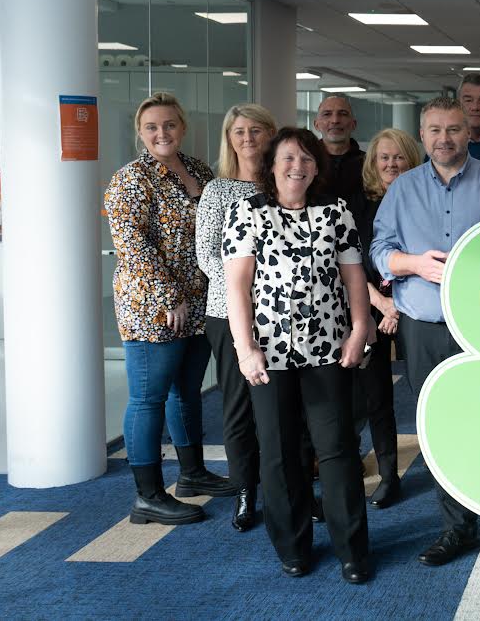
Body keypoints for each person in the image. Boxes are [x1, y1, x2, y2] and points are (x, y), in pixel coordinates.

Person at [369, 97, 480, 574]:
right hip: (424, 328)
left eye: (453, 129)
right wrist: (413, 264)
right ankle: (457, 526)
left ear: (468, 132)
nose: (444, 138)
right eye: (434, 130)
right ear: (423, 134)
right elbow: (379, 249)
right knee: (439, 427)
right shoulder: (403, 190)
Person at [223, 128, 373, 584]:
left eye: (307, 158)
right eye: (289, 157)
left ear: (316, 167)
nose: (298, 166)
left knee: (338, 449)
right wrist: (244, 348)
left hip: (328, 348)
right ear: (272, 164)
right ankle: (292, 547)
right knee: (280, 453)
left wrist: (360, 330)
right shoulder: (247, 212)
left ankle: (353, 550)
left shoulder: (336, 212)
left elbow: (353, 279)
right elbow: (237, 287)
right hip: (268, 354)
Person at [104, 92, 235, 526]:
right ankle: (147, 496)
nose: (162, 133)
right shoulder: (130, 180)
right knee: (149, 397)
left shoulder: (198, 169)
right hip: (153, 307)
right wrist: (168, 297)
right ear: (140, 133)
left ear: (183, 126)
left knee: (187, 391)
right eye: (151, 127)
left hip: (198, 302)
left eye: (169, 125)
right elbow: (133, 248)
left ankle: (192, 474)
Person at [195, 103, 277, 532]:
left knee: (284, 407)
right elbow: (206, 254)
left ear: (270, 135)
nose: (248, 138)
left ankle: (287, 488)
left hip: (283, 316)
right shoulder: (218, 191)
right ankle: (246, 491)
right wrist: (248, 289)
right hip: (228, 315)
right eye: (239, 131)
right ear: (229, 138)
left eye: (256, 130)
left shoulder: (285, 182)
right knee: (239, 407)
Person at [346, 128, 423, 509]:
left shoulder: (423, 201)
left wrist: (399, 304)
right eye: (384, 158)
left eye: (399, 157)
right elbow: (351, 263)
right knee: (374, 397)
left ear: (412, 160)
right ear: (373, 164)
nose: (392, 164)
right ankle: (388, 475)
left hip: (414, 308)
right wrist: (382, 304)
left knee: (426, 388)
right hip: (369, 308)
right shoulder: (357, 205)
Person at [314, 95, 365, 201]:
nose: (335, 120)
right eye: (327, 114)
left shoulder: (369, 163)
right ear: (316, 125)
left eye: (343, 114)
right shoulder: (306, 162)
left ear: (353, 124)